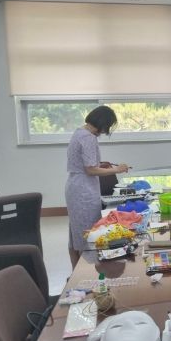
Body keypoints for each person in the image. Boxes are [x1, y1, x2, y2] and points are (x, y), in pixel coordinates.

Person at [65, 106, 129, 268]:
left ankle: (75, 271)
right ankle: (85, 272)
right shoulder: (89, 138)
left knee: (76, 232)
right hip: (84, 190)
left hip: (75, 186)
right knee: (89, 234)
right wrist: (117, 169)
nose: (106, 130)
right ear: (103, 123)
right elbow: (90, 170)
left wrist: (103, 165)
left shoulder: (79, 132)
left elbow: (86, 164)